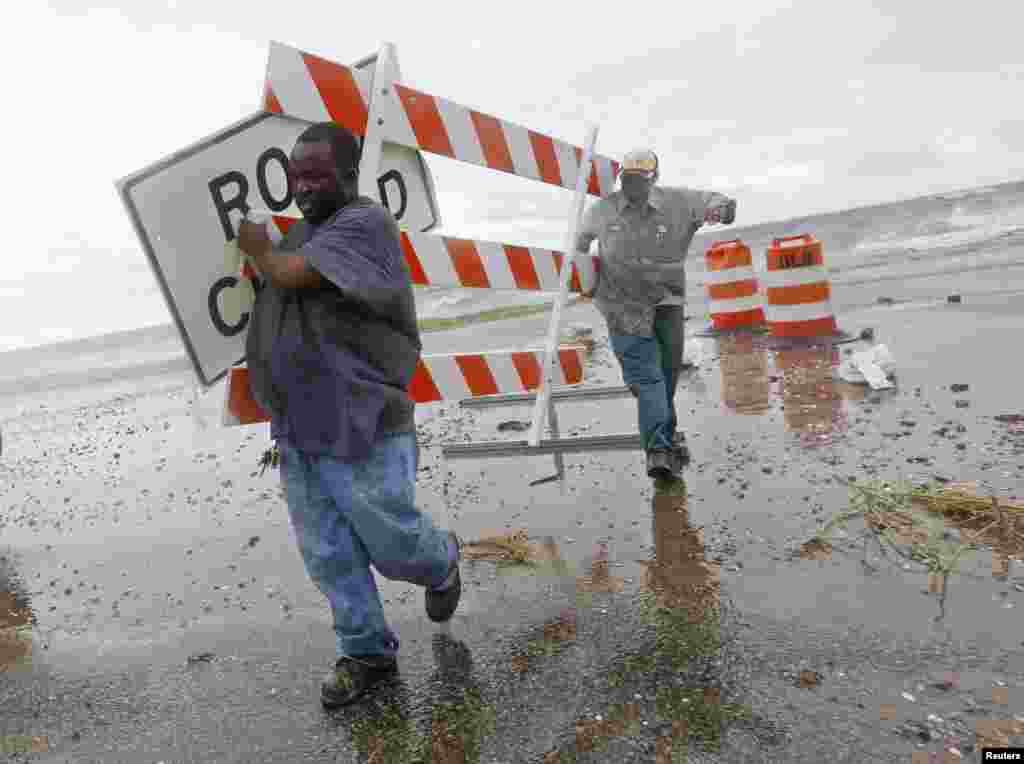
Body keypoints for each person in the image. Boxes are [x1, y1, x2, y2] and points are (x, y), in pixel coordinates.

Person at [236, 122, 461, 708]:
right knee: (328, 550)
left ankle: (441, 562)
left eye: (317, 173)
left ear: (347, 173)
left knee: (392, 542)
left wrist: (257, 246)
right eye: (296, 176)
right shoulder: (297, 234)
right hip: (299, 427)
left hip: (363, 418)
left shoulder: (364, 224)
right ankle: (365, 651)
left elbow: (291, 275)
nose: (305, 186)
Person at [576, 149, 736, 482]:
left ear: (654, 177)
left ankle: (666, 436)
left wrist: (721, 208)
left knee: (665, 376)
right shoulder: (603, 211)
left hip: (667, 303)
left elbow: (713, 201)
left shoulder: (678, 203)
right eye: (627, 179)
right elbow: (579, 241)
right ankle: (658, 449)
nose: (632, 186)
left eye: (640, 179)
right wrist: (583, 278)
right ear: (621, 179)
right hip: (622, 307)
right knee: (649, 380)